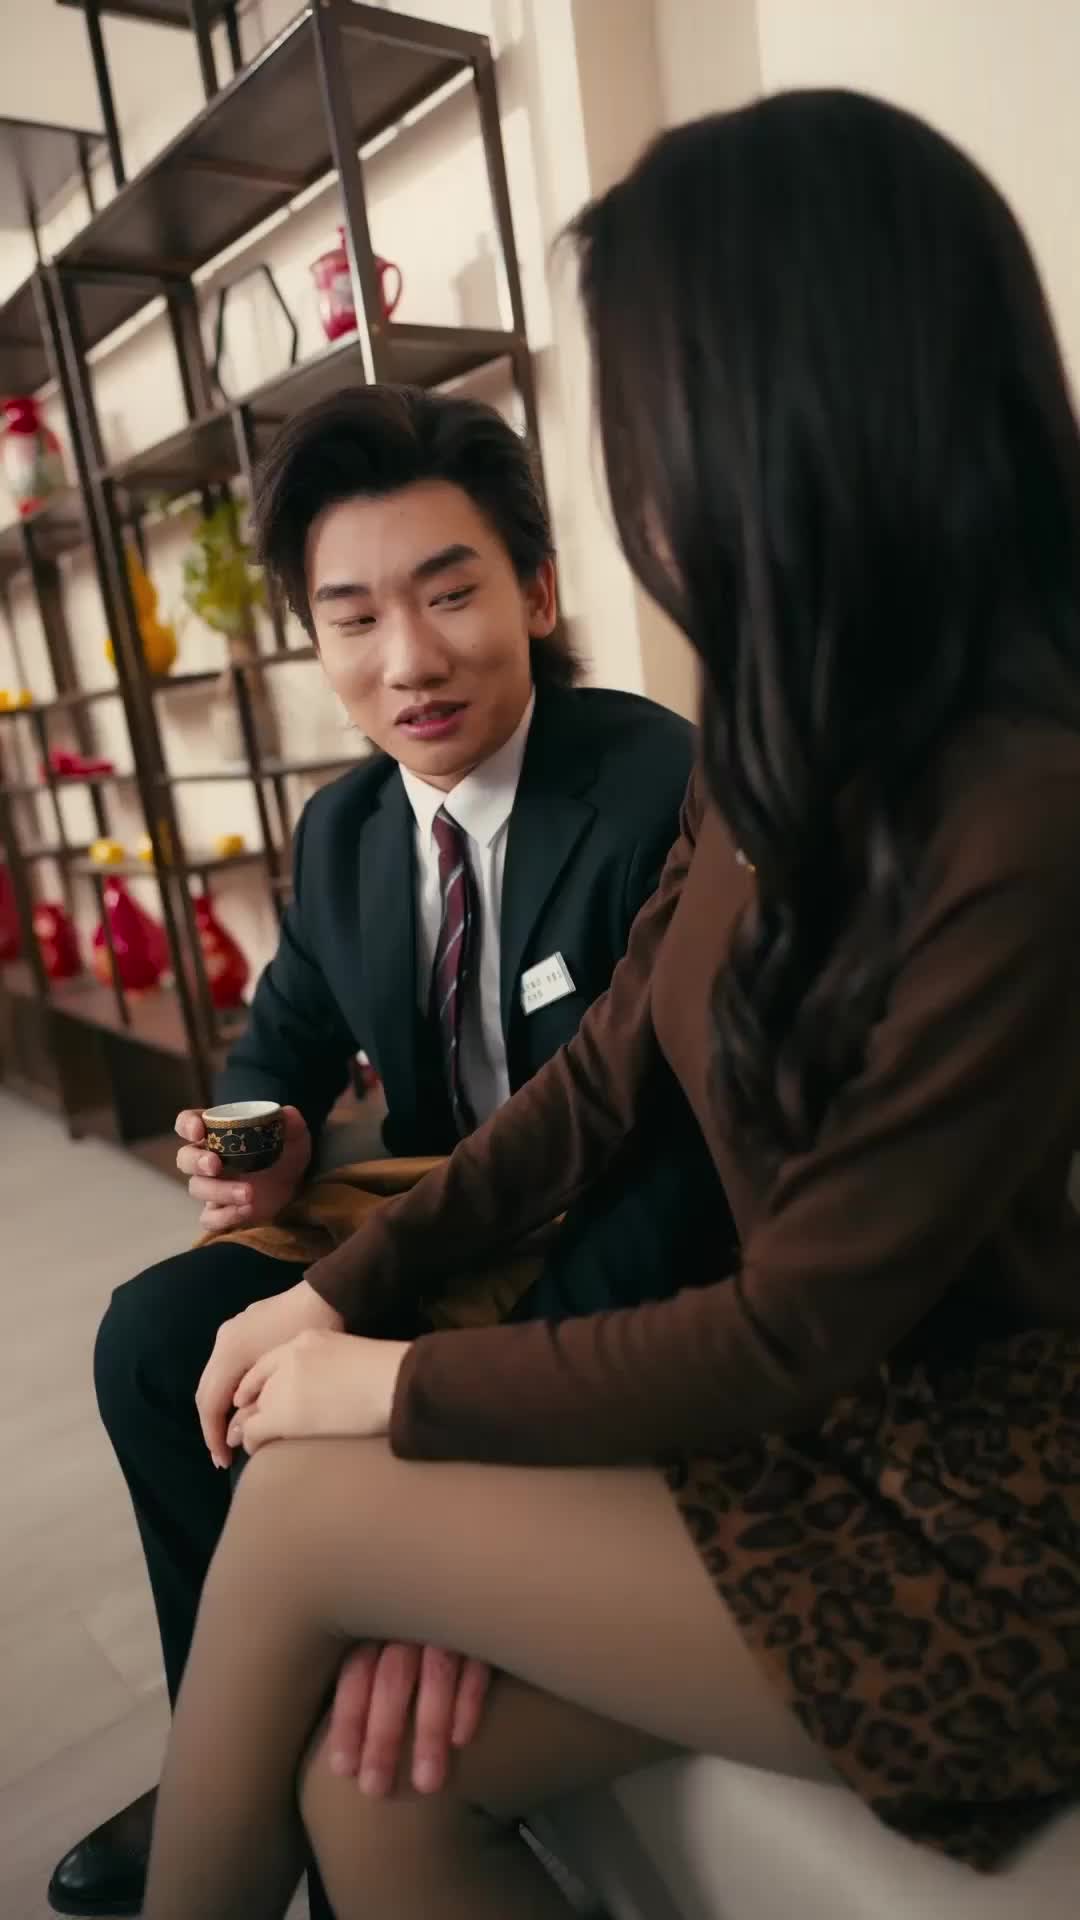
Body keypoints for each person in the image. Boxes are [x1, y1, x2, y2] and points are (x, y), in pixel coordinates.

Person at [140, 87, 1080, 1920]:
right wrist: (340, 1286)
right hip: (815, 1441)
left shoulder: (1027, 812)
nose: (639, 488)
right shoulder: (777, 737)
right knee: (372, 1782)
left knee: (314, 1500)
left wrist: (390, 1396)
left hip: (981, 1512)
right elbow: (596, 1086)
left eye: (644, 419)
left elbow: (792, 1328)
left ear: (789, 418)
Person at [48, 385, 702, 1919]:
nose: (407, 659)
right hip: (436, 1232)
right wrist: (260, 1145)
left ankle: (284, 1756)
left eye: (451, 594)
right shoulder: (345, 833)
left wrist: (445, 1445)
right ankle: (229, 1732)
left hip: (619, 1248)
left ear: (537, 594)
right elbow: (274, 1048)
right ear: (313, 639)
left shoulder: (654, 788)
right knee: (155, 1338)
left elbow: (675, 1164)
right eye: (352, 617)